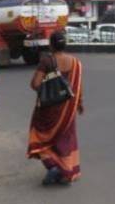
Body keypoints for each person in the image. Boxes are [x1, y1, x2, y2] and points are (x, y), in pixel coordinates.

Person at [27, 31, 84, 185]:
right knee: (65, 139)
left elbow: (35, 84)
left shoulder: (47, 61)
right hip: (68, 107)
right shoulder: (75, 63)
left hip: (48, 108)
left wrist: (49, 84)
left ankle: (53, 166)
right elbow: (77, 87)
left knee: (39, 135)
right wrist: (79, 104)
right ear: (65, 44)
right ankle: (65, 169)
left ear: (51, 45)